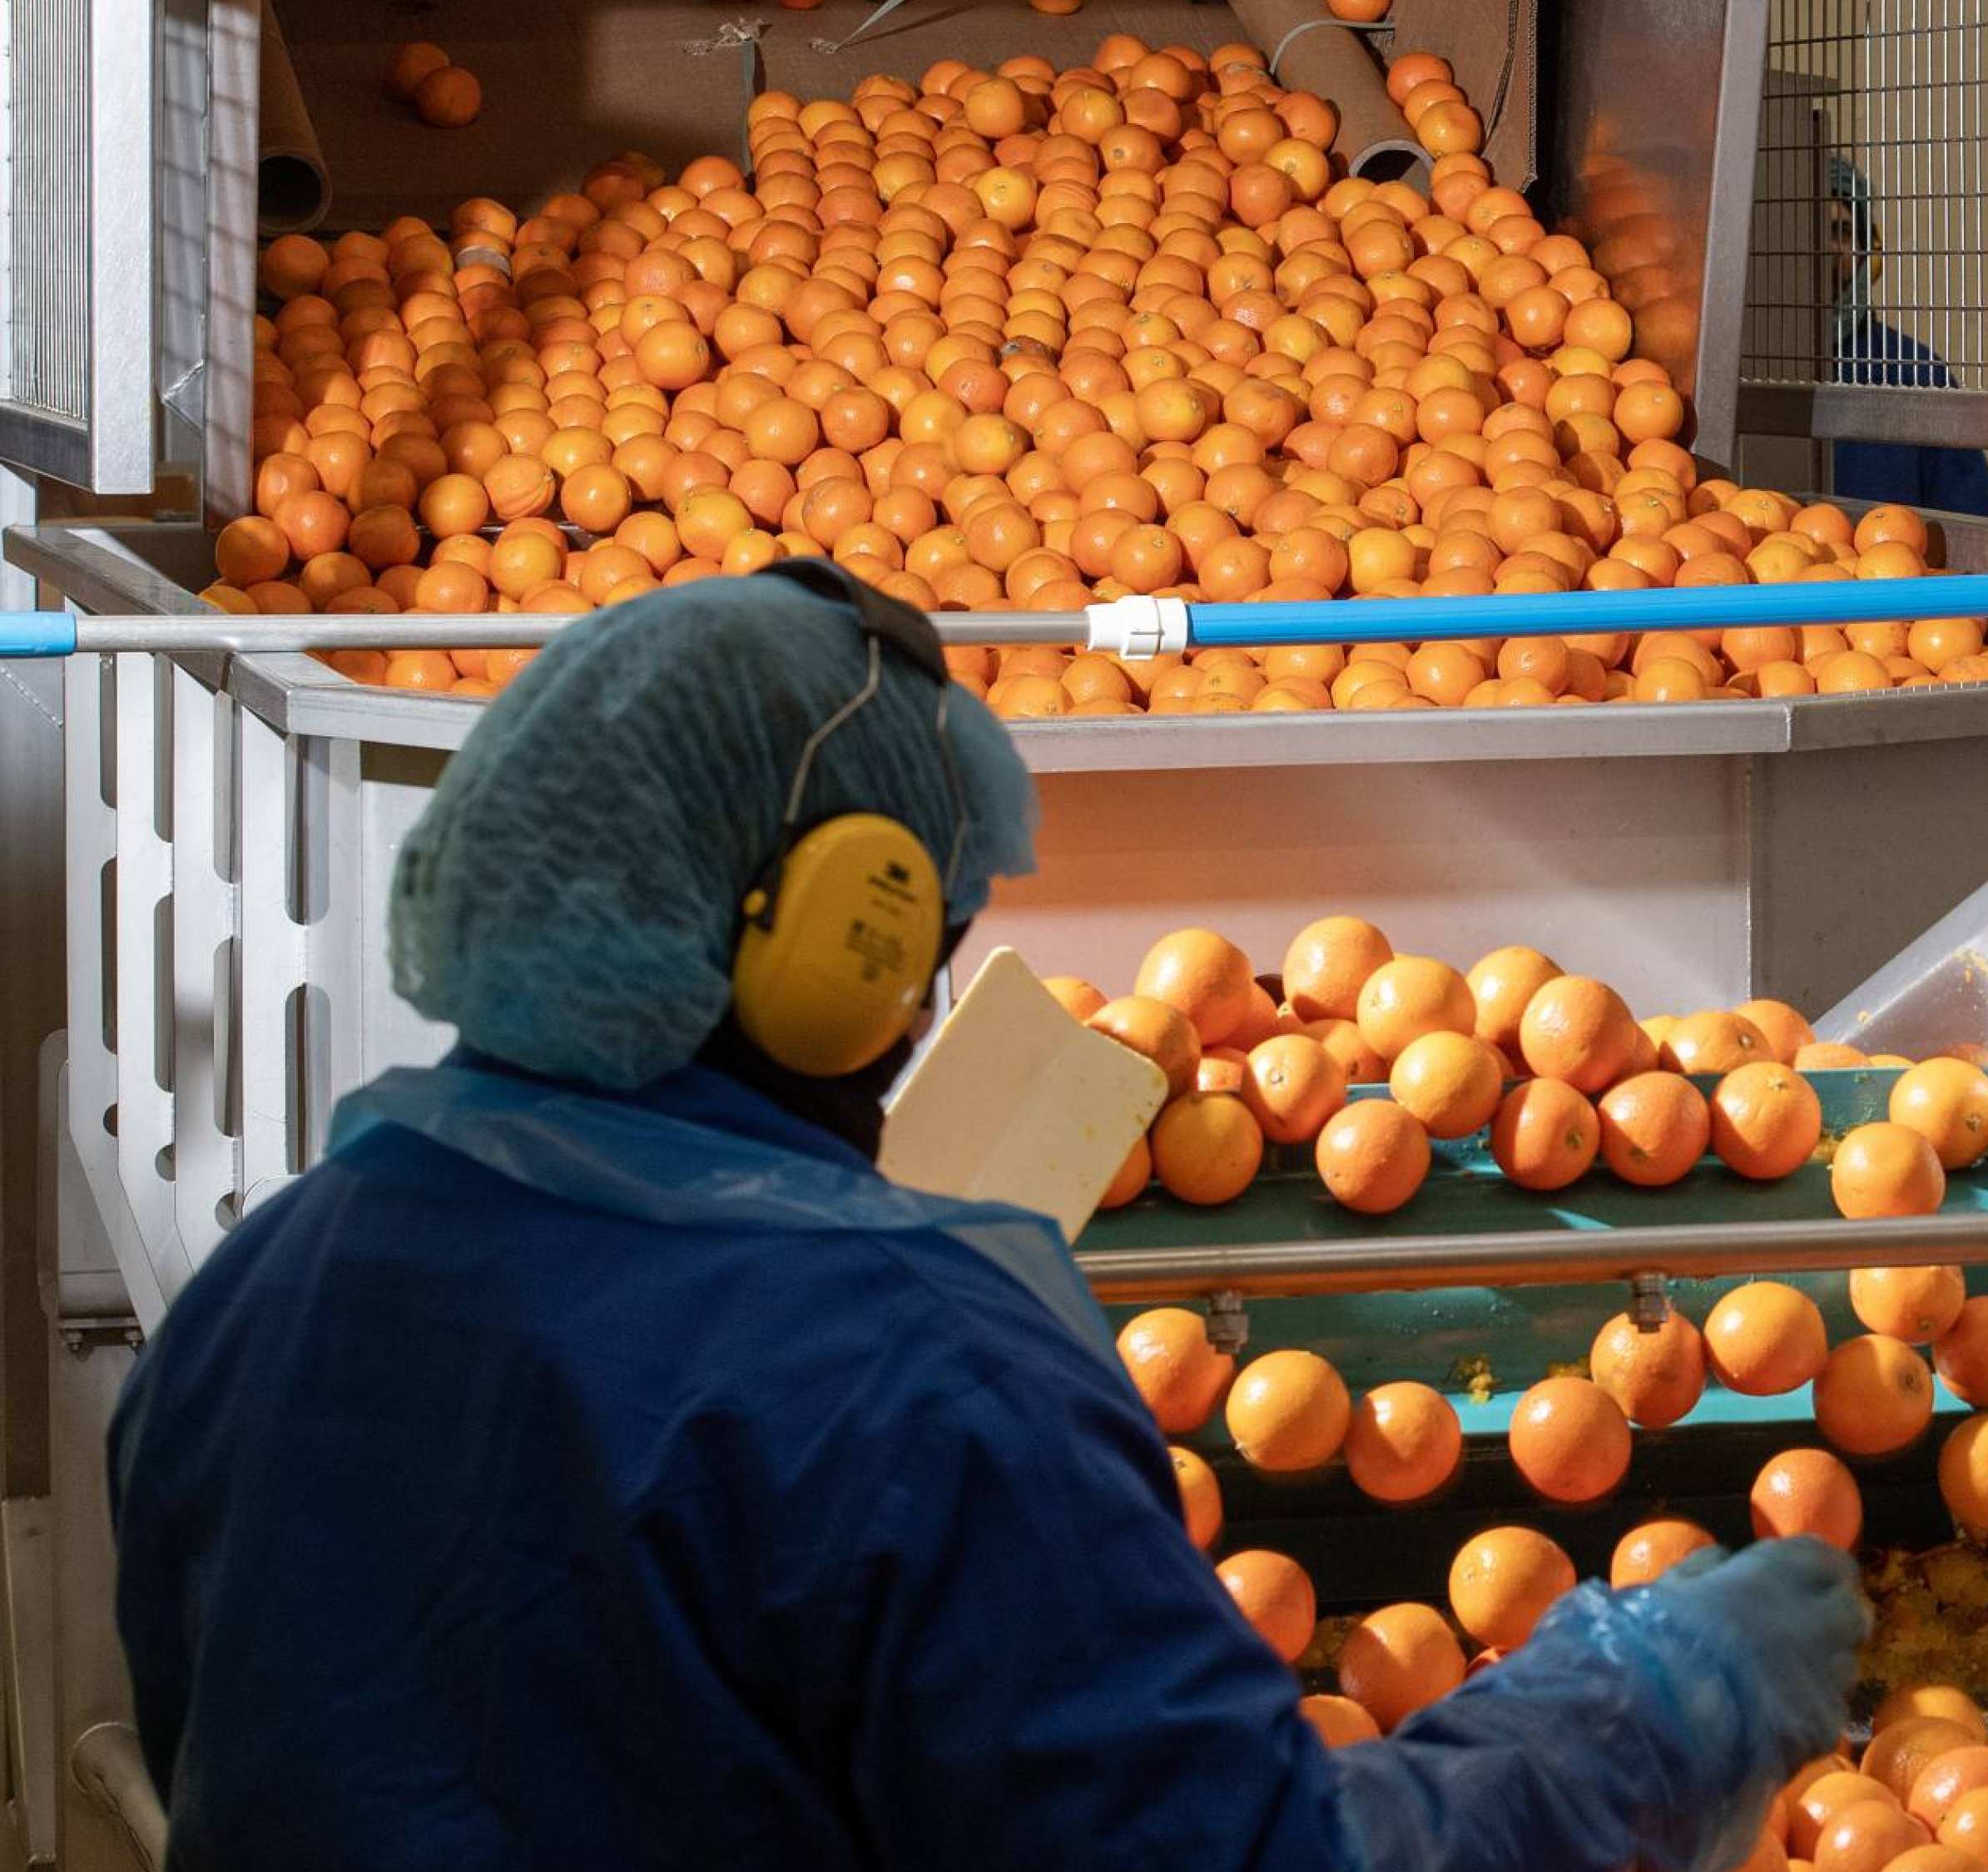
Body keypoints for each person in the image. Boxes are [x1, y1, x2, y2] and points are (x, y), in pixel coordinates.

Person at [106, 562, 1867, 1870]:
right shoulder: (905, 1378)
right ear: (836, 937)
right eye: (921, 936)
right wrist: (1641, 1713)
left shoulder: (268, 1288)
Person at [1825, 156, 1988, 519]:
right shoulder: (1738, 370)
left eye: (1842, 231)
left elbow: (1973, 523)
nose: (1828, 248)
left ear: (1869, 253)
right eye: (1811, 230)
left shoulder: (1914, 372)